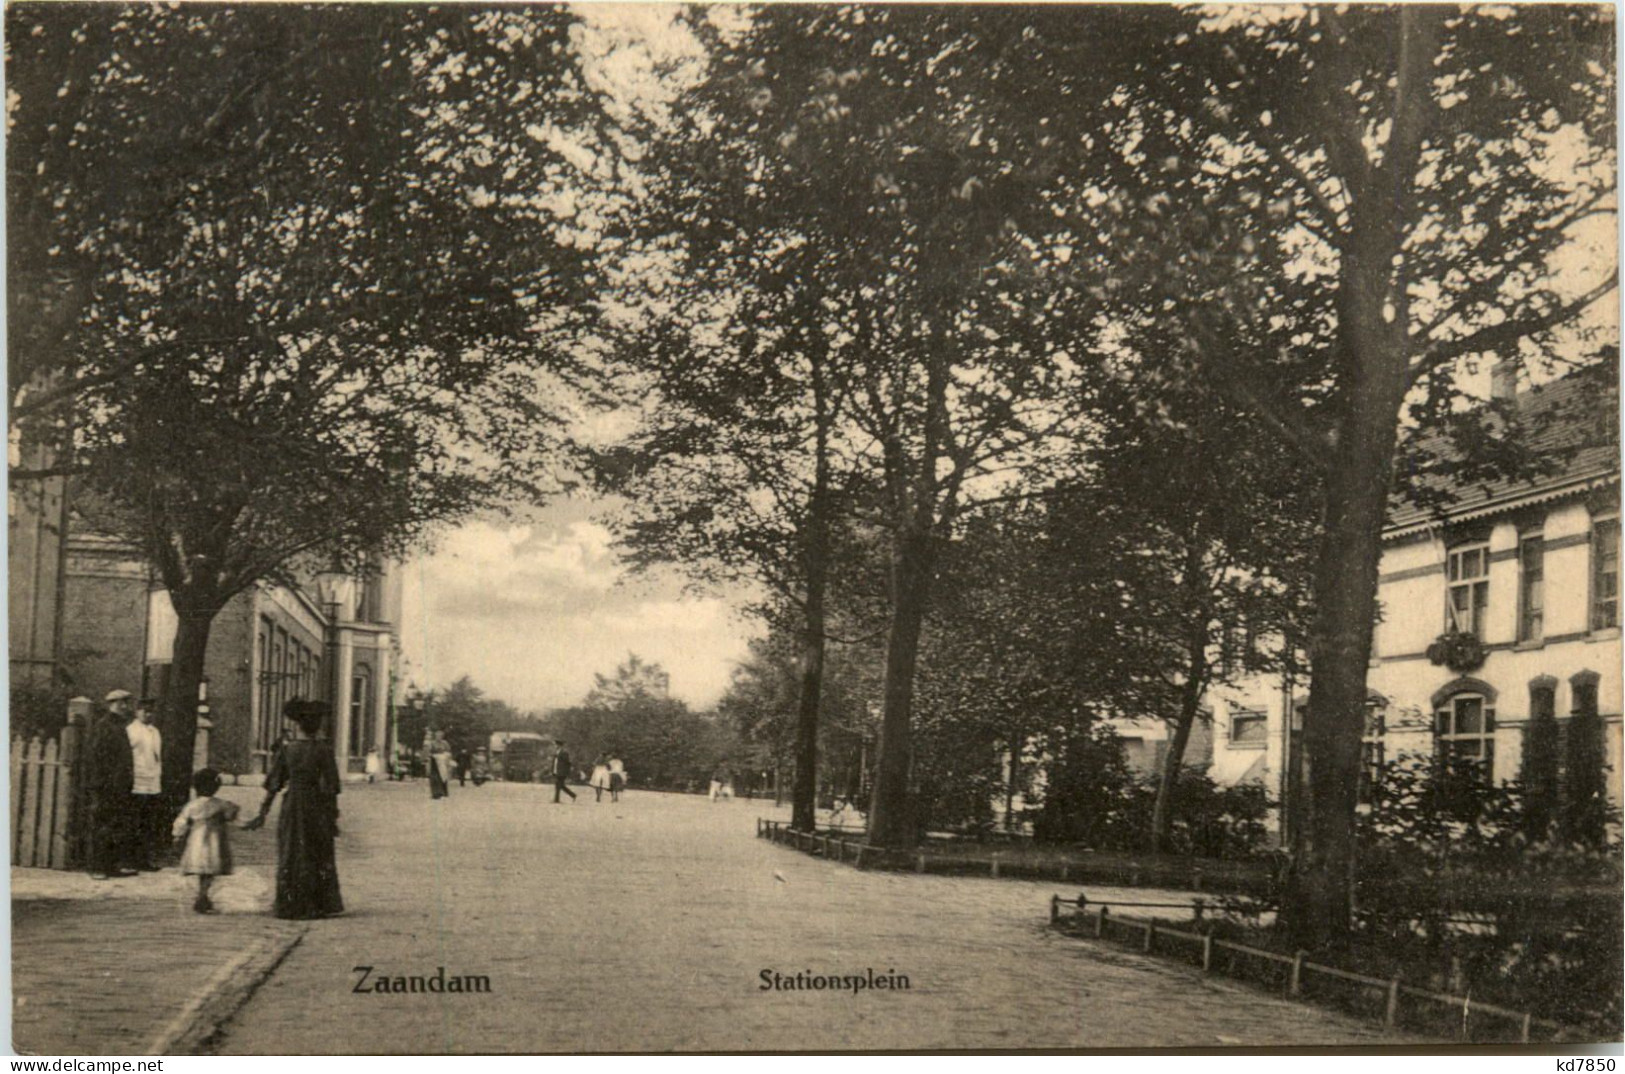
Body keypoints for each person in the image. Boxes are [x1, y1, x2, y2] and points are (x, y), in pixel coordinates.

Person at [243, 700, 343, 920]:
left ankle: (290, 904)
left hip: (293, 805)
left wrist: (262, 813)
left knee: (291, 851)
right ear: (317, 727)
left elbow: (274, 785)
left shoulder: (288, 750)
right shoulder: (324, 750)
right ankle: (319, 904)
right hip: (316, 805)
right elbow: (332, 788)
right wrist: (333, 817)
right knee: (317, 850)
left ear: (298, 726)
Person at [86, 690, 138, 880]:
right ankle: (97, 867)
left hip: (119, 785)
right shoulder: (104, 726)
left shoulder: (120, 726)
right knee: (102, 825)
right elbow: (96, 757)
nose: (124, 706)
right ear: (111, 704)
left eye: (126, 703)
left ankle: (111, 865)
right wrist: (103, 781)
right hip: (106, 785)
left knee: (116, 825)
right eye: (120, 703)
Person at [172, 768, 239, 914]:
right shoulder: (221, 804)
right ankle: (203, 896)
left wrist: (177, 836)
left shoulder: (192, 805)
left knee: (201, 871)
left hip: (196, 841)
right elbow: (231, 814)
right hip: (214, 842)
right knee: (209, 872)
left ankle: (202, 896)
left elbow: (181, 822)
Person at [126, 697, 164, 871]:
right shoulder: (131, 730)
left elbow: (157, 756)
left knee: (148, 823)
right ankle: (131, 859)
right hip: (137, 781)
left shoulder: (154, 731)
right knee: (136, 822)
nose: (148, 714)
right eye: (144, 710)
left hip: (152, 781)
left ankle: (143, 859)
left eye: (150, 711)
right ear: (137, 711)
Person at [428, 732, 453, 800]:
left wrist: (446, 756)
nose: (439, 737)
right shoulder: (432, 743)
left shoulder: (445, 743)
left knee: (443, 776)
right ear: (435, 736)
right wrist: (432, 755)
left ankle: (444, 793)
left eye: (440, 736)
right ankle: (436, 793)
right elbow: (429, 752)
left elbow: (449, 751)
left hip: (443, 761)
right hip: (435, 762)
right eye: (437, 736)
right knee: (435, 778)